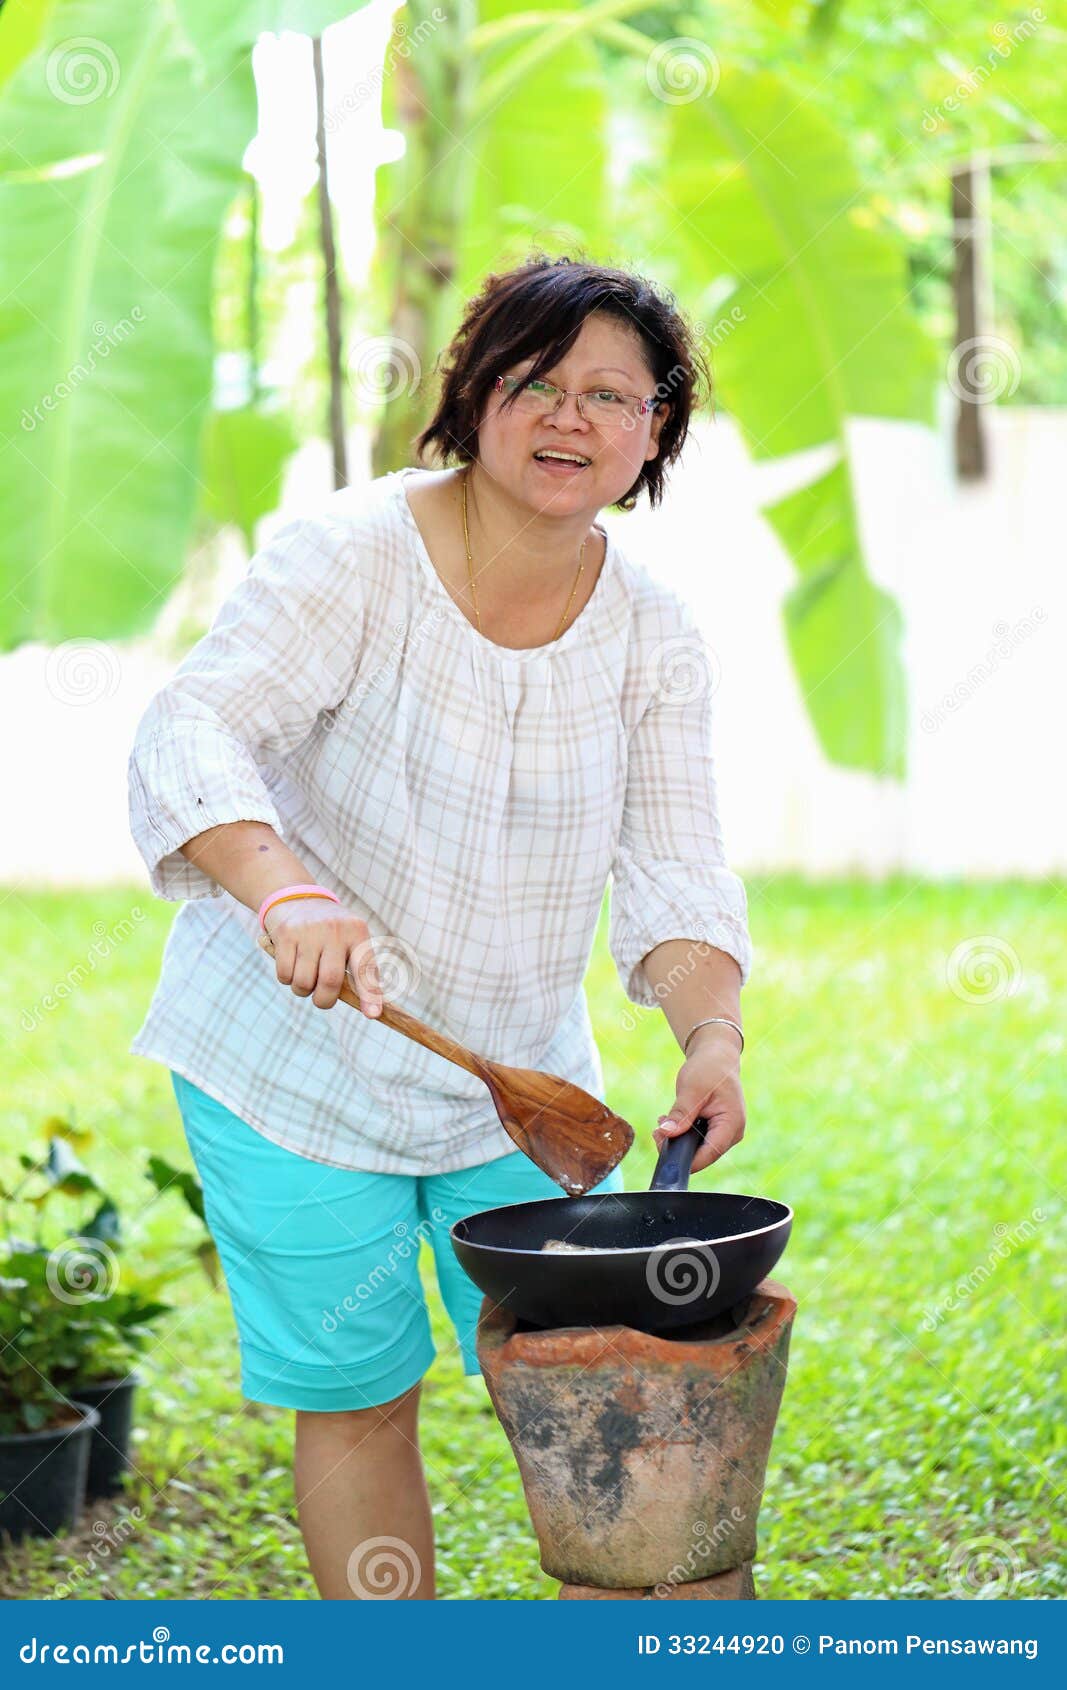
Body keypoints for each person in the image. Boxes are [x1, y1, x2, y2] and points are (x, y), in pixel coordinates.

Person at [127, 253, 751, 1600]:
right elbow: (197, 724)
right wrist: (283, 887)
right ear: (474, 396)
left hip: (512, 1090)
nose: (567, 418)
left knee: (601, 1389)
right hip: (288, 1067)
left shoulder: (655, 632)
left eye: (610, 395)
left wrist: (713, 1033)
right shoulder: (354, 554)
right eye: (534, 383)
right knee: (358, 1397)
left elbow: (676, 867)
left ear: (656, 431)